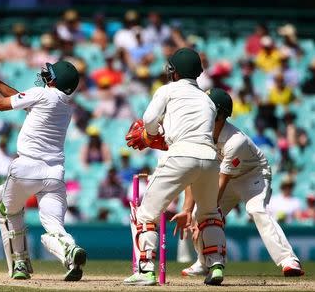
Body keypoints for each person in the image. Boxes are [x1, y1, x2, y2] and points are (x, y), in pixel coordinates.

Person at [0, 55, 86, 281]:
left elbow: (1, 104)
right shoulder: (65, 106)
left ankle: (19, 262)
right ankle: (70, 250)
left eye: (50, 74)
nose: (46, 76)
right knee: (54, 226)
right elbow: (18, 98)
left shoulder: (40, 94)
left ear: (55, 80)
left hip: (26, 169)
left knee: (5, 205)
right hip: (55, 174)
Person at [124, 48, 226, 286]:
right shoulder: (208, 100)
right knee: (209, 214)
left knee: (146, 213)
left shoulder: (167, 90)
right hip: (210, 159)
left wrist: (152, 135)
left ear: (174, 71)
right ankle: (217, 265)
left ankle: (146, 270)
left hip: (180, 155)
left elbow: (149, 119)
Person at [177, 88, 304, 278]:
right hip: (226, 176)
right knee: (196, 215)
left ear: (218, 115)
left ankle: (289, 260)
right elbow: (193, 171)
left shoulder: (235, 141)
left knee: (256, 210)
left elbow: (221, 182)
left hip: (253, 175)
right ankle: (204, 262)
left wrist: (207, 212)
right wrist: (191, 210)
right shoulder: (198, 133)